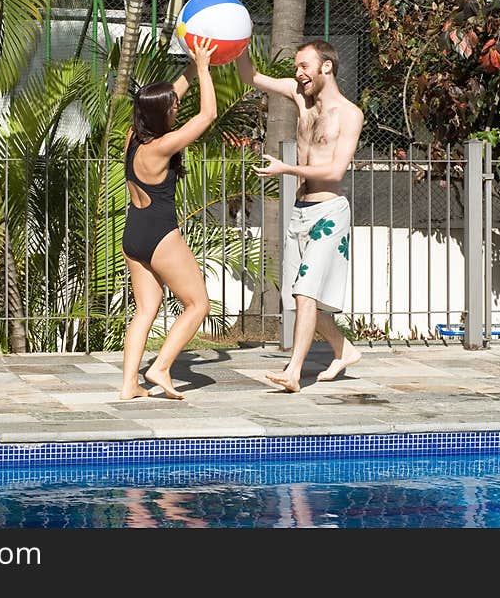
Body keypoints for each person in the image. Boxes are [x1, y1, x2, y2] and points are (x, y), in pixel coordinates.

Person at [236, 39, 363, 392]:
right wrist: (238, 38)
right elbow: (250, 76)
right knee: (298, 296)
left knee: (306, 294)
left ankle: (294, 372)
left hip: (328, 214)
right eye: (296, 67)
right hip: (300, 212)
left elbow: (336, 172)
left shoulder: (350, 114)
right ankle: (343, 349)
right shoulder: (298, 97)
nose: (298, 73)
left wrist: (285, 169)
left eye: (304, 66)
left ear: (326, 66)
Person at [119, 36, 218, 401]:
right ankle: (160, 368)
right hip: (161, 234)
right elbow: (207, 115)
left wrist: (193, 65)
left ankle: (129, 384)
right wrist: (206, 71)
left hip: (133, 235)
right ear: (163, 115)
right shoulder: (162, 147)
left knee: (146, 309)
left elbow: (163, 97)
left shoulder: (134, 137)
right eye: (173, 108)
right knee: (198, 305)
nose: (177, 109)